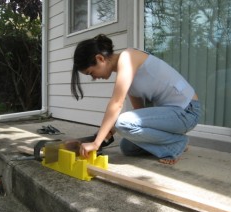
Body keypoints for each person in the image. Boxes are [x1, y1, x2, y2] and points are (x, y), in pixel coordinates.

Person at [71, 34, 201, 165]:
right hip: (174, 116)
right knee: (128, 147)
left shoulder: (128, 57)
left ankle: (177, 143)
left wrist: (96, 143)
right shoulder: (127, 73)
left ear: (100, 59)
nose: (94, 77)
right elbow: (139, 112)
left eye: (91, 72)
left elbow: (116, 103)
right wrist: (111, 130)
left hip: (187, 111)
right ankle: (175, 141)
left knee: (122, 122)